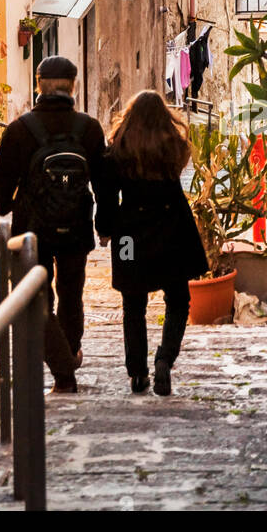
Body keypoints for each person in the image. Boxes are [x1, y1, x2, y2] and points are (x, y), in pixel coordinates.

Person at [0, 55, 105, 394]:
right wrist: (106, 223)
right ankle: (68, 356)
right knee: (72, 295)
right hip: (77, 227)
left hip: (32, 231)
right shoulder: (89, 128)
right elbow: (104, 182)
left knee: (36, 299)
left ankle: (63, 371)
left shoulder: (20, 130)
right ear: (74, 86)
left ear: (38, 85)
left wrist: (15, 204)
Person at [94, 89, 207, 397]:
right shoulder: (175, 146)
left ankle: (137, 374)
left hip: (130, 233)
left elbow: (106, 196)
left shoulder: (118, 149)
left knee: (133, 303)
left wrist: (104, 229)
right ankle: (165, 359)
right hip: (172, 228)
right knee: (178, 299)